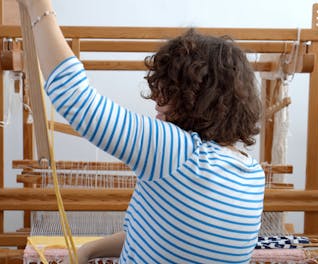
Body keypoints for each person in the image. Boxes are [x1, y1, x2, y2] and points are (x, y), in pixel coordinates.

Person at [19, 0, 265, 263]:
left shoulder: (180, 154)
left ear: (193, 98)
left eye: (165, 93)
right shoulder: (253, 176)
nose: (156, 106)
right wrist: (90, 249)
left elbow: (73, 95)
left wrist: (37, 6)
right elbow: (158, 235)